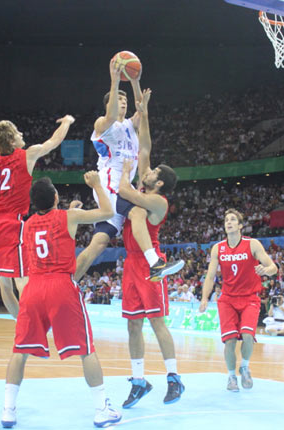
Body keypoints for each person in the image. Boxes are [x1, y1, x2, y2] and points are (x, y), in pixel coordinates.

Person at [1, 171, 121, 429]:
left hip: (34, 288)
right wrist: (98, 185)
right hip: (60, 287)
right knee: (86, 350)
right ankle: (101, 409)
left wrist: (68, 211)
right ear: (56, 197)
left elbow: (50, 223)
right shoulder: (69, 217)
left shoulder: (28, 223)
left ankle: (8, 410)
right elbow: (108, 212)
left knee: (19, 351)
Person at [106, 88, 184, 408]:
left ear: (160, 182)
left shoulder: (156, 201)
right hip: (132, 263)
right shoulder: (147, 184)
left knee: (156, 322)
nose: (146, 170)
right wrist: (145, 112)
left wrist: (123, 171)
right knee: (133, 324)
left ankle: (174, 378)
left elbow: (124, 188)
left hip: (150, 262)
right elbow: (146, 145)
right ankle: (139, 380)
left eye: (151, 172)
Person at [74, 59, 182, 284]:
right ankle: (155, 262)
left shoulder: (130, 128)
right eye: (119, 100)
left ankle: (69, 281)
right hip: (110, 182)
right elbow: (112, 114)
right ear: (110, 104)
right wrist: (114, 81)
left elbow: (142, 116)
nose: (123, 103)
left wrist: (135, 82)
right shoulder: (103, 125)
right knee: (138, 212)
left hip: (121, 185)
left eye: (125, 101)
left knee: (100, 242)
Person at [0, 115, 76, 318]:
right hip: (12, 225)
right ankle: (34, 322)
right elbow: (54, 141)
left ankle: (22, 323)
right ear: (12, 141)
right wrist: (67, 122)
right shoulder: (27, 155)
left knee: (5, 283)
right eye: (18, 133)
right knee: (23, 279)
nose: (22, 135)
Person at [199, 208, 277, 392]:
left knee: (248, 336)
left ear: (241, 226)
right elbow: (210, 277)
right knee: (230, 340)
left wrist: (266, 270)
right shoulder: (218, 248)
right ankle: (231, 377)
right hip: (227, 299)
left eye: (233, 219)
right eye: (227, 220)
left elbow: (273, 266)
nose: (229, 222)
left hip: (249, 298)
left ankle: (245, 367)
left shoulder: (252, 244)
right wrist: (204, 298)